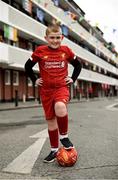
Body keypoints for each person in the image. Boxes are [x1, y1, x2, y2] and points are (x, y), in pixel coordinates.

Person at [24, 23, 82, 163]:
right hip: (46, 91)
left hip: (61, 87)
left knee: (60, 107)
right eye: (52, 38)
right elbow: (27, 66)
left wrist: (72, 79)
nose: (55, 40)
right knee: (51, 122)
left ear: (62, 37)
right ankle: (54, 150)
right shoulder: (40, 51)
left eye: (58, 37)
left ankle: (64, 137)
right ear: (46, 38)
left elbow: (78, 65)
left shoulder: (66, 50)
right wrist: (34, 80)